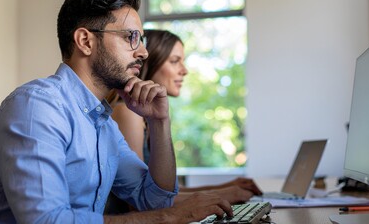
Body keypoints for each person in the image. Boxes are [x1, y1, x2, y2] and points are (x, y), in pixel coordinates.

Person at [0, 0, 233, 223]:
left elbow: (154, 199)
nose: (143, 52)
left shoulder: (102, 123)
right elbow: (46, 221)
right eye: (131, 37)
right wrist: (169, 218)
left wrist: (159, 122)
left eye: (141, 39)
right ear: (85, 41)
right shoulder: (37, 107)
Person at [106, 29, 262, 207]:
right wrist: (225, 193)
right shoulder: (128, 112)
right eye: (174, 61)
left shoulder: (144, 115)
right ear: (148, 64)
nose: (184, 71)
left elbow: (164, 192)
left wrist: (226, 187)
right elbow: (142, 199)